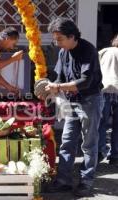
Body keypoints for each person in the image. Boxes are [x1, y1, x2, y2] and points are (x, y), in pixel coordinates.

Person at [41, 18, 103, 197]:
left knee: (89, 143)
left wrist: (58, 87)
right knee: (67, 141)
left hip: (90, 99)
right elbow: (59, 77)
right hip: (71, 101)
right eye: (55, 39)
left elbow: (85, 82)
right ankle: (63, 181)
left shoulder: (88, 50)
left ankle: (86, 181)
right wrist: (49, 87)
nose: (57, 42)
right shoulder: (63, 52)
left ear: (72, 36)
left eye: (59, 39)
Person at [98, 34, 118, 165]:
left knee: (101, 124)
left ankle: (100, 151)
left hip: (104, 89)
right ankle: (115, 155)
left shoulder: (103, 52)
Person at [0, 27, 24, 96]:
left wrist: (10, 88)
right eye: (13, 44)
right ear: (7, 39)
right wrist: (14, 58)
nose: (12, 48)